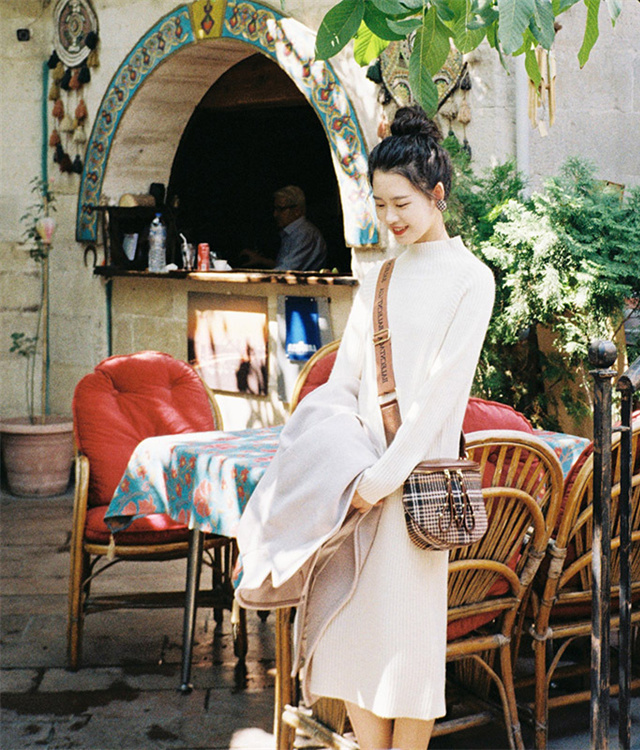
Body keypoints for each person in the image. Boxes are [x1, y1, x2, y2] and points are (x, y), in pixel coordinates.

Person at [235, 106, 495, 750]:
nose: (391, 218)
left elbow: (440, 401)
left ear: (437, 194)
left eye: (401, 203)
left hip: (413, 495)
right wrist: (345, 475)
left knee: (410, 660)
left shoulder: (472, 280)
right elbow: (344, 384)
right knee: (353, 648)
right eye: (380, 205)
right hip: (355, 490)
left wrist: (380, 481)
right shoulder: (379, 277)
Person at [238, 185, 328, 271]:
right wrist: (262, 260)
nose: (275, 214)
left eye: (280, 209)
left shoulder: (304, 234)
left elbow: (284, 273)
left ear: (297, 211)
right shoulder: (295, 233)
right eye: (275, 209)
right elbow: (286, 266)